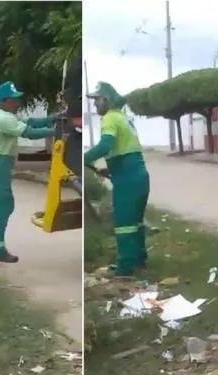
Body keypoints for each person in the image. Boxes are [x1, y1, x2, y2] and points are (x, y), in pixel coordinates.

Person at [0, 80, 59, 263]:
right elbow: (29, 132)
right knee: (0, 210)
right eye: (14, 99)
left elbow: (29, 122)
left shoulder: (5, 116)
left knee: (4, 207)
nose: (17, 102)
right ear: (4, 101)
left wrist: (52, 119)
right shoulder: (3, 119)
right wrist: (54, 132)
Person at [84, 81, 151, 278]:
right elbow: (124, 152)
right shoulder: (123, 118)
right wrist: (108, 169)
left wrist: (83, 158)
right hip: (138, 177)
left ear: (107, 99)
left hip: (127, 181)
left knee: (124, 223)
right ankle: (139, 259)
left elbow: (105, 145)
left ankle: (124, 267)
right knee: (135, 222)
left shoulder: (110, 119)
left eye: (97, 99)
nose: (95, 104)